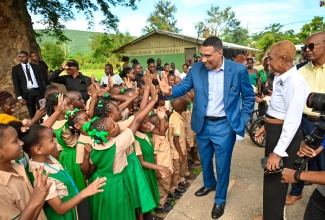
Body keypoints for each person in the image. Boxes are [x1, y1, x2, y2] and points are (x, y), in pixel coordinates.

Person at [158, 36, 255, 219]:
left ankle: (220, 199)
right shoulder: (196, 69)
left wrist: (242, 120)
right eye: (201, 55)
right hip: (202, 124)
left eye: (208, 56)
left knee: (222, 164)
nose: (203, 60)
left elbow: (249, 97)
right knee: (205, 159)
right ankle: (209, 183)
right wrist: (170, 92)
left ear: (220, 53)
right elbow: (184, 87)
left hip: (225, 126)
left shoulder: (238, 70)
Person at [253, 40, 309, 220]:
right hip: (275, 131)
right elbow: (278, 110)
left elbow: (292, 121)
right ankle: (270, 215)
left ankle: (275, 217)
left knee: (277, 183)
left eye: (271, 58)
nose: (268, 62)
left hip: (285, 138)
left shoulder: (295, 83)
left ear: (284, 59)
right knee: (271, 181)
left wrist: (278, 152)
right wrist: (265, 125)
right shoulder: (280, 77)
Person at [21, 124, 106, 219]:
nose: (55, 142)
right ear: (38, 150)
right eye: (51, 141)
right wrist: (84, 192)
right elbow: (59, 209)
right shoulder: (43, 178)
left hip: (74, 207)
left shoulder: (48, 158)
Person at [286, 31, 325, 206]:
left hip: (323, 123)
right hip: (302, 121)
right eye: (304, 47)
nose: (306, 50)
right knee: (298, 157)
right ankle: (296, 192)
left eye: (311, 46)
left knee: (321, 159)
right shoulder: (299, 71)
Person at [0, 124, 52, 220]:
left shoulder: (17, 168)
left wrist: (40, 197)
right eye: (15, 141)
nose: (21, 143)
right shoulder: (2, 190)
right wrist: (36, 200)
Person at [11, 51, 47, 118]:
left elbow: (42, 80)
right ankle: (35, 127)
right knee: (31, 112)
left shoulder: (35, 66)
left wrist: (45, 92)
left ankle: (44, 125)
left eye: (23, 57)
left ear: (27, 57)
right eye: (19, 57)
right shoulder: (16, 69)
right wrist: (19, 97)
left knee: (43, 110)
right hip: (27, 93)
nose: (21, 58)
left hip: (38, 91)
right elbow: (16, 84)